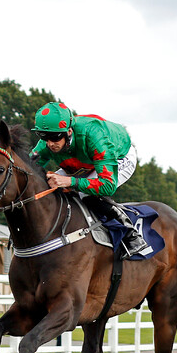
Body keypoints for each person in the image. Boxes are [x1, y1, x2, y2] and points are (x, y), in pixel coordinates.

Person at [30, 102, 147, 258]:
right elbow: (27, 170)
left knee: (87, 194)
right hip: (84, 160)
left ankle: (131, 234)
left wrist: (71, 182)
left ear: (69, 131)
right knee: (46, 185)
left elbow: (107, 186)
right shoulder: (47, 143)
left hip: (118, 155)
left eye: (55, 137)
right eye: (44, 137)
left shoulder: (94, 136)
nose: (50, 143)